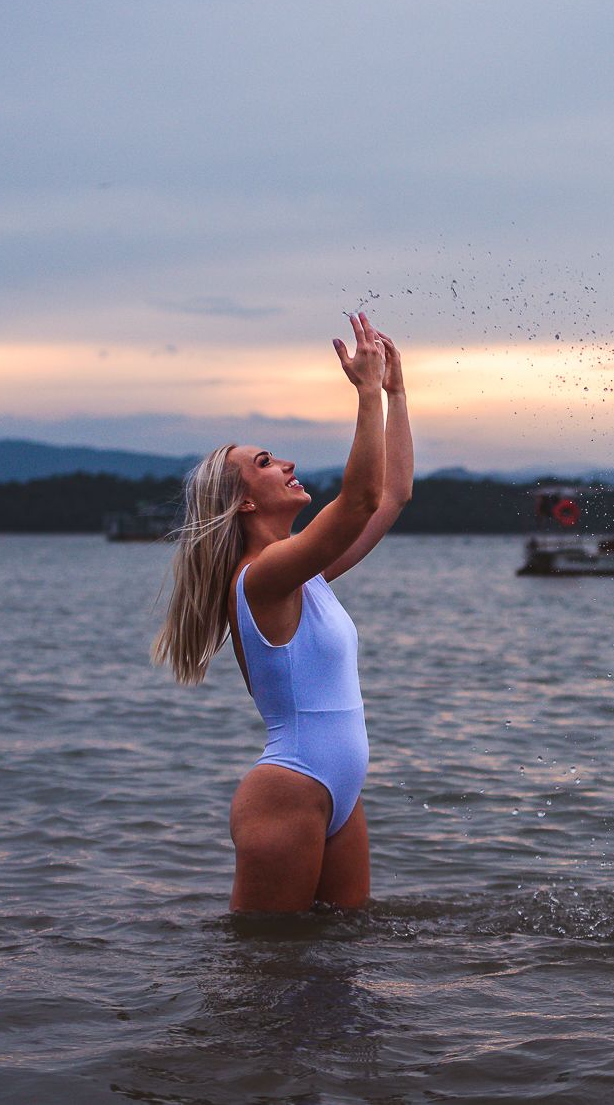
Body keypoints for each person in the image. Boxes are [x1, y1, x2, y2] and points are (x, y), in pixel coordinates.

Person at [152, 313, 413, 912]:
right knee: (261, 969)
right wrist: (366, 393)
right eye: (266, 462)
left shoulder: (306, 574)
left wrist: (396, 394)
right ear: (244, 500)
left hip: (339, 792)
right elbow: (359, 500)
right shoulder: (260, 578)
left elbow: (392, 494)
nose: (287, 464)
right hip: (289, 789)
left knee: (340, 961)